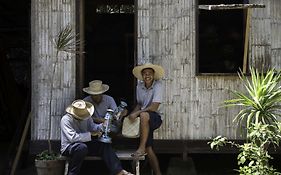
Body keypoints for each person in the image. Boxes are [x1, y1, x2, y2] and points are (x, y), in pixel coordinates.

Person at [60, 99, 133, 175]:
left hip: (85, 144)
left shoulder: (86, 115)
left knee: (104, 143)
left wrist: (102, 126)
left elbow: (93, 127)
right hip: (69, 146)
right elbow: (72, 138)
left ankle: (118, 171)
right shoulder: (65, 120)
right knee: (81, 148)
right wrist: (91, 135)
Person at [128, 63, 164, 175]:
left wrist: (138, 113)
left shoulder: (158, 85)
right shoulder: (139, 86)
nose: (147, 76)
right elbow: (140, 104)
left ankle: (141, 148)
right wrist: (132, 114)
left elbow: (154, 107)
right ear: (142, 76)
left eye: (149, 73)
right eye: (144, 74)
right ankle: (158, 173)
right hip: (144, 119)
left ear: (153, 75)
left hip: (155, 117)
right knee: (149, 148)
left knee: (144, 115)